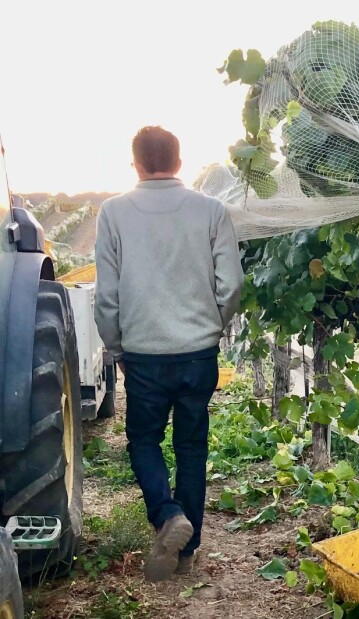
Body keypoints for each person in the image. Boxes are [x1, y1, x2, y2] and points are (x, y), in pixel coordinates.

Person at [95, 126, 244, 582]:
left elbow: (107, 297)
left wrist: (117, 346)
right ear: (179, 163)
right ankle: (187, 548)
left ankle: (166, 515)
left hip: (143, 354)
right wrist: (212, 327)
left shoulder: (113, 213)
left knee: (143, 440)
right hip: (198, 353)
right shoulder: (212, 211)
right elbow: (232, 284)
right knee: (192, 447)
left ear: (136, 163)